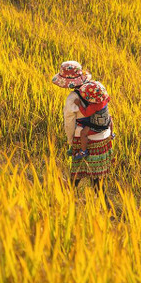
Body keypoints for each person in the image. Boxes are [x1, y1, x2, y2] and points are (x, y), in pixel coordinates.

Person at [51, 61, 115, 189]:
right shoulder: (95, 88)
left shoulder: (72, 98)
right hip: (104, 136)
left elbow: (69, 124)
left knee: (77, 171)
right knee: (97, 176)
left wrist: (71, 142)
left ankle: (70, 196)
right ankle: (101, 203)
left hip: (86, 138)